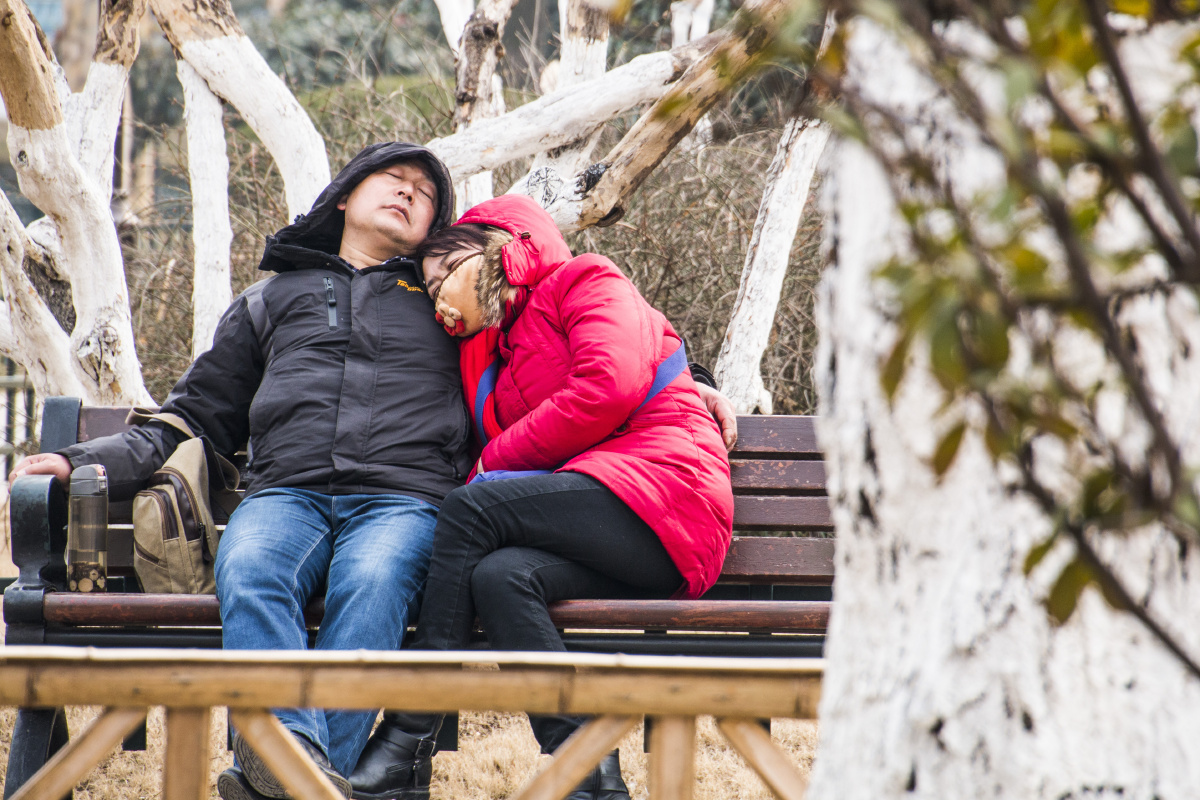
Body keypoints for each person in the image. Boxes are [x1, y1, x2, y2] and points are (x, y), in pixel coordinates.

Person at [8, 145, 738, 800]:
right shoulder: (270, 301)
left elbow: (583, 331)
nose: (409, 190)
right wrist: (83, 460)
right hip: (285, 494)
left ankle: (283, 772)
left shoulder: (452, 307)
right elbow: (193, 415)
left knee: (375, 580)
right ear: (344, 197)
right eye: (392, 177)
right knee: (252, 566)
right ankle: (300, 767)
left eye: (426, 192)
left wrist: (695, 380)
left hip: (404, 501)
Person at [346, 194, 734, 800]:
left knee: (471, 509)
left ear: (493, 247)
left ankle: (406, 738)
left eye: (445, 273)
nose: (440, 297)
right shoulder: (490, 354)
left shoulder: (584, 278)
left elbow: (610, 382)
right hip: (612, 520)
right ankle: (589, 776)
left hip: (668, 493)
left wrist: (490, 466)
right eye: (430, 289)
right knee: (501, 577)